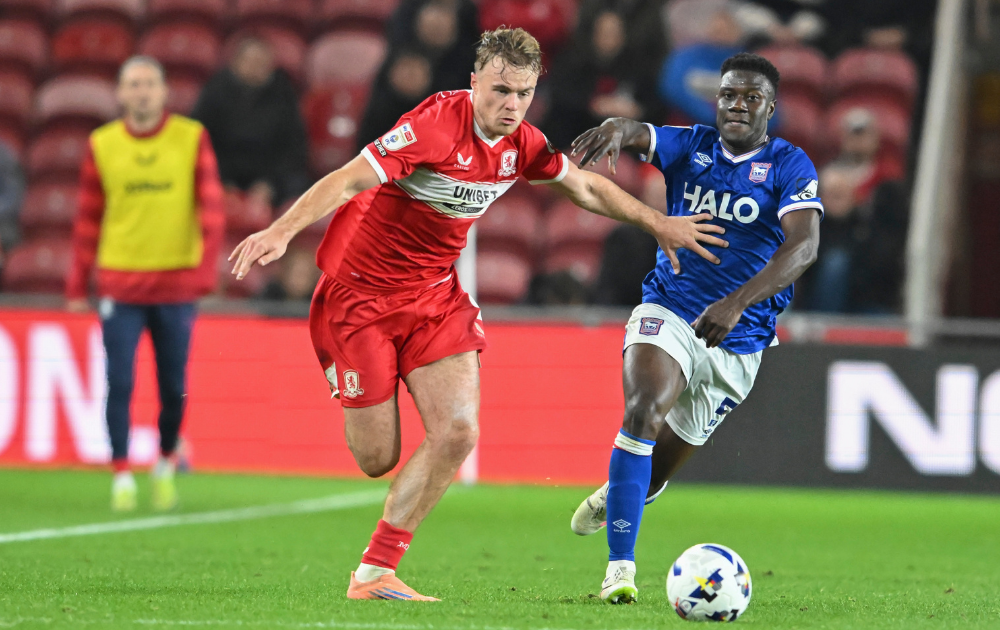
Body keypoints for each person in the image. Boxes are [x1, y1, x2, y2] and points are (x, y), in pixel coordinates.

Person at [229, 27, 726, 602]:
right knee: (376, 457)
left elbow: (585, 189)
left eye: (523, 93)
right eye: (499, 90)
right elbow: (348, 180)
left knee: (459, 432)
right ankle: (358, 380)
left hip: (434, 297)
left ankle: (374, 573)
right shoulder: (433, 127)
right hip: (360, 297)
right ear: (474, 84)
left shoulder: (523, 144)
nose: (511, 105)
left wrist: (657, 222)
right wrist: (281, 230)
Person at [568, 52, 823, 603]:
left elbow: (803, 247)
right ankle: (620, 569)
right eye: (728, 94)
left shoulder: (789, 165)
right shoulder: (692, 144)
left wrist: (737, 302)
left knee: (656, 472)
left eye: (750, 97)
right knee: (642, 410)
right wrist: (618, 127)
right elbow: (641, 133)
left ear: (769, 107)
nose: (737, 104)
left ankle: (625, 493)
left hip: (741, 338)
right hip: (672, 309)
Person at [65, 56, 225, 512]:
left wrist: (204, 273)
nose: (141, 92)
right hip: (121, 282)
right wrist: (78, 284)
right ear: (120, 93)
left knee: (174, 384)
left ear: (163, 91)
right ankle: (120, 475)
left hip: (175, 284)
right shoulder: (103, 144)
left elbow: (210, 212)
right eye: (133, 84)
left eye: (149, 83)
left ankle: (165, 460)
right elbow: (87, 220)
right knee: (120, 380)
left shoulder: (190, 138)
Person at [191, 36, 309, 206]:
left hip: (269, 176)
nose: (255, 68)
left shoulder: (284, 94)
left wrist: (268, 184)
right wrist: (223, 180)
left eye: (262, 63)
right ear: (236, 63)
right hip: (224, 172)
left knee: (302, 188)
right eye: (250, 61)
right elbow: (201, 140)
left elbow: (293, 148)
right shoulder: (215, 91)